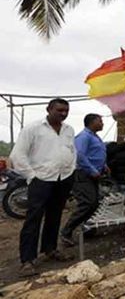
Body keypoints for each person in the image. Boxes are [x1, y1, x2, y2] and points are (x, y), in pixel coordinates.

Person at [10, 99, 76, 276]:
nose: (63, 114)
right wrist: (32, 176)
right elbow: (17, 155)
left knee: (54, 216)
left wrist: (71, 170)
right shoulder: (33, 128)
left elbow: (72, 151)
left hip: (63, 179)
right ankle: (27, 260)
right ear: (49, 109)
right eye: (59, 110)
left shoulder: (69, 130)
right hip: (41, 180)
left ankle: (50, 249)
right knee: (34, 219)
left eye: (66, 111)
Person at [60, 114, 109, 247]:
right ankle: (66, 232)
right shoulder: (84, 136)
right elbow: (80, 155)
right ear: (92, 123)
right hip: (83, 174)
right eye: (100, 121)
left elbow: (94, 154)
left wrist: (103, 166)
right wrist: (92, 170)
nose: (102, 123)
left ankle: (88, 228)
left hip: (93, 174)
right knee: (88, 202)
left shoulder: (94, 136)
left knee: (95, 201)